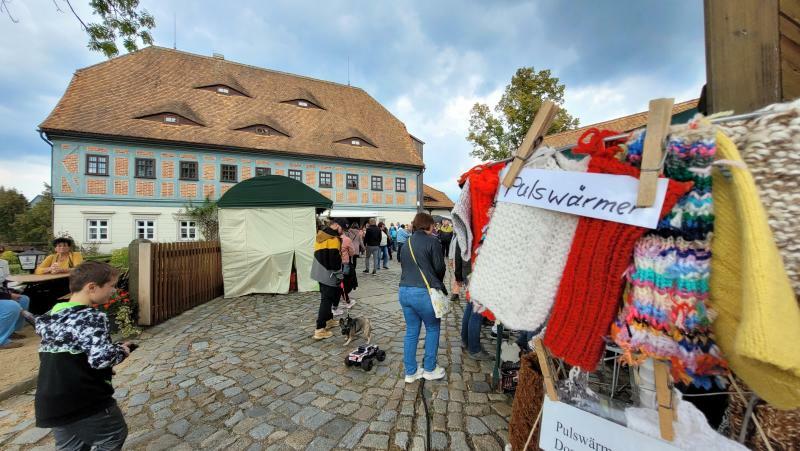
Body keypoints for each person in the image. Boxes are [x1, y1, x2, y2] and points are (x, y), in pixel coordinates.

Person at [34, 261, 131, 449]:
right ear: (92, 287)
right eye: (111, 286)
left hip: (50, 398)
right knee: (113, 435)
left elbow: (72, 352)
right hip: (83, 397)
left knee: (72, 446)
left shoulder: (49, 315)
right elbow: (101, 359)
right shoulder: (92, 317)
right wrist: (121, 350)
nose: (115, 291)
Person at [398, 213, 447, 382]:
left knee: (411, 332)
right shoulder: (433, 241)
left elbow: (402, 264)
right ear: (428, 225)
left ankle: (410, 372)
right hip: (423, 293)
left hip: (404, 291)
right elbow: (440, 268)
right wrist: (436, 282)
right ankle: (429, 368)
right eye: (433, 225)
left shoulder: (406, 243)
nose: (434, 228)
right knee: (433, 328)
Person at [310, 218, 347, 339]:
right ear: (336, 225)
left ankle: (329, 319)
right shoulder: (333, 239)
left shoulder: (323, 234)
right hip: (328, 273)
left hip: (320, 271)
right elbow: (334, 259)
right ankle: (320, 329)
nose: (343, 231)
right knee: (326, 300)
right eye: (342, 228)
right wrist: (339, 274)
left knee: (330, 296)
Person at [457, 239, 493, 361]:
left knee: (470, 307)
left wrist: (460, 275)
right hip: (479, 274)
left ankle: (465, 340)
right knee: (476, 313)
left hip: (470, 273)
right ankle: (474, 348)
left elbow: (460, 252)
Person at [338, 227, 357, 312]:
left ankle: (339, 301)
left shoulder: (332, 239)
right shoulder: (346, 239)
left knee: (338, 282)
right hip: (344, 263)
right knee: (345, 283)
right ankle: (347, 301)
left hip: (334, 264)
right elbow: (352, 252)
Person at [345, 223, 364, 294]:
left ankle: (350, 270)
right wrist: (363, 247)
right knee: (355, 260)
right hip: (356, 248)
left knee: (349, 260)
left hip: (350, 247)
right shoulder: (359, 233)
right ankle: (354, 270)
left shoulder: (349, 232)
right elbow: (361, 241)